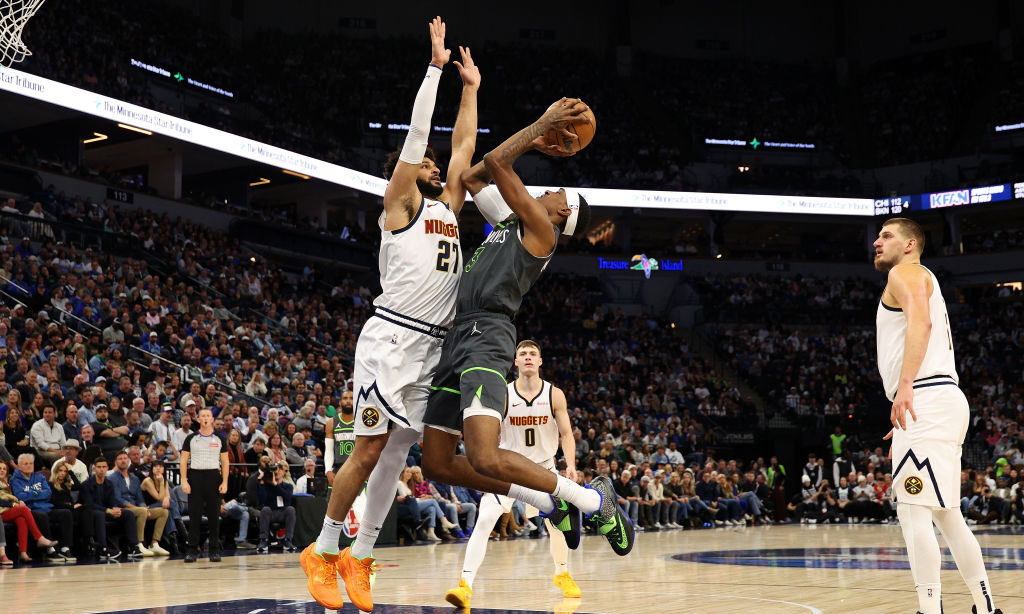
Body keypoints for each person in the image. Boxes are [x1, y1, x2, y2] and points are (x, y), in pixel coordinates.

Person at [302, 17, 481, 612]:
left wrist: (471, 89)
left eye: (434, 164)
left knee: (401, 456)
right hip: (391, 341)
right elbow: (419, 138)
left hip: (434, 347)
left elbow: (462, 147)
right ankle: (324, 549)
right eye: (423, 162)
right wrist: (433, 69)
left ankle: (361, 557)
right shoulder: (399, 203)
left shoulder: (449, 206)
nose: (434, 164)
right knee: (369, 450)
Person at [419, 99, 617, 593]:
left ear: (563, 209)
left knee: (485, 456)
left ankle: (590, 501)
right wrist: (536, 134)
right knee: (436, 462)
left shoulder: (542, 231)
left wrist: (537, 130)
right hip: (457, 335)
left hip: (488, 336)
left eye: (555, 190)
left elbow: (502, 163)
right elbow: (471, 177)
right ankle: (551, 503)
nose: (548, 187)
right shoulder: (511, 218)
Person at [874, 217, 1001, 614]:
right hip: (939, 399)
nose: (877, 242)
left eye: (887, 235)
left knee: (913, 513)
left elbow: (921, 323)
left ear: (910, 244)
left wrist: (907, 387)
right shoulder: (922, 276)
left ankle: (930, 611)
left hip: (926, 396)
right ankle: (985, 608)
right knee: (947, 516)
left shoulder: (904, 272)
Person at [444, 340, 581, 608]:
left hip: (543, 468)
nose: (528, 357)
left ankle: (562, 573)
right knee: (484, 520)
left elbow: (566, 433)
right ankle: (464, 585)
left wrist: (571, 464)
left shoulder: (554, 394)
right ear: (515, 362)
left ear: (540, 362)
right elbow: (490, 435)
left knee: (557, 526)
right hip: (507, 468)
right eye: (523, 354)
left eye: (533, 354)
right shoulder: (502, 394)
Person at [180, 407, 229, 563]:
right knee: (194, 516)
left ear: (212, 419)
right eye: (203, 416)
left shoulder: (220, 439)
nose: (206, 418)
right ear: (198, 420)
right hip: (195, 476)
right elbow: (183, 460)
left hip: (213, 476)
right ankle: (192, 550)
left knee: (214, 516)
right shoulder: (191, 438)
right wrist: (184, 480)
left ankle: (214, 550)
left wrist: (225, 481)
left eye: (209, 416)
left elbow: (225, 462)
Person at [10, 453, 73, 561]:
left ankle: (65, 548)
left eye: (31, 463)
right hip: (31, 510)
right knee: (42, 515)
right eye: (26, 464)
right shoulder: (15, 480)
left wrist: (31, 493)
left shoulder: (40, 477)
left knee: (66, 513)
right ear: (19, 466)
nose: (29, 466)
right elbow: (20, 496)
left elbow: (48, 493)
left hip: (46, 507)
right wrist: (37, 492)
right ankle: (50, 550)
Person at [109, 450, 169, 556]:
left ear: (128, 461)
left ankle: (154, 543)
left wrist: (143, 507)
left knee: (163, 512)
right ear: (116, 462)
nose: (123, 461)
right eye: (120, 459)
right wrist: (141, 509)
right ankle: (138, 544)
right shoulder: (112, 478)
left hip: (137, 508)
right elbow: (119, 499)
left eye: (125, 458)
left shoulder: (135, 479)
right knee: (142, 512)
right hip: (121, 509)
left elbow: (140, 499)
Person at [0, 460, 59, 562]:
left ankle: (23, 553)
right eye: (0, 468)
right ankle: (39, 537)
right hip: (1, 511)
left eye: (4, 469)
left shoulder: (6, 483)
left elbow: (47, 492)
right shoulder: (12, 481)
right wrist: (14, 503)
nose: (2, 470)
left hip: (9, 510)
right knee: (24, 509)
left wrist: (19, 501)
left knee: (21, 519)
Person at [257, 461, 297, 553]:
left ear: (284, 472)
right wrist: (262, 483)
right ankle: (264, 540)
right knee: (265, 509)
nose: (278, 472)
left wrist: (276, 485)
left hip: (283, 512)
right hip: (271, 512)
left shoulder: (288, 486)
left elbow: (287, 497)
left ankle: (288, 540)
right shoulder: (267, 486)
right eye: (276, 470)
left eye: (280, 469)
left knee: (291, 509)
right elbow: (261, 500)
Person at [323, 390, 355, 483]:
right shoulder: (331, 422)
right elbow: (328, 449)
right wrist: (328, 470)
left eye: (351, 398)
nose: (348, 401)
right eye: (345, 398)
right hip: (338, 469)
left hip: (358, 469)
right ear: (340, 402)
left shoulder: (362, 422)